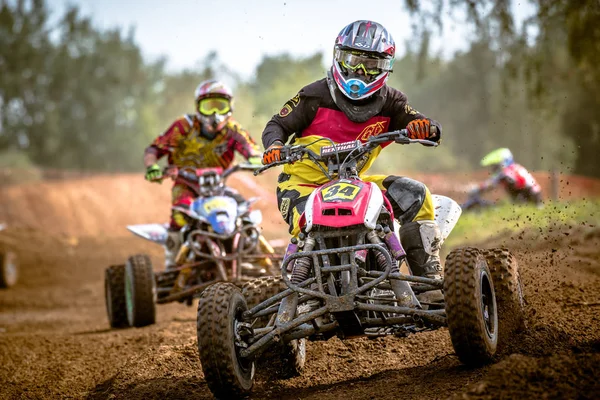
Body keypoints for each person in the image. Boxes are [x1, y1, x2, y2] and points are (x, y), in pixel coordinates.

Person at [260, 20, 444, 302]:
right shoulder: (314, 95)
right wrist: (274, 145)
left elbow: (419, 121)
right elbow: (278, 124)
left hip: (353, 183)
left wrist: (425, 127)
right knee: (309, 226)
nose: (360, 71)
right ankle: (301, 288)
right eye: (353, 61)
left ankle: (428, 282)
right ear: (338, 57)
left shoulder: (392, 102)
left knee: (416, 195)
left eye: (370, 65)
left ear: (385, 67)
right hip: (303, 185)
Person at [144, 79, 262, 268]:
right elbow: (154, 149)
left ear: (229, 108)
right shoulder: (183, 126)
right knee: (180, 214)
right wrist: (152, 167)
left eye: (220, 106)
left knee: (244, 211)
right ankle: (173, 262)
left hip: (218, 186)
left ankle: (255, 257)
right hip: (186, 184)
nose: (215, 114)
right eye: (209, 107)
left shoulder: (232, 129)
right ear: (198, 108)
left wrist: (256, 159)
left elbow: (250, 147)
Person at [469, 148, 543, 207]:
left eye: (496, 166)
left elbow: (494, 182)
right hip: (530, 195)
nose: (494, 169)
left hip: (531, 196)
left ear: (503, 162)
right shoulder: (513, 168)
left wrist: (478, 188)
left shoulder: (510, 170)